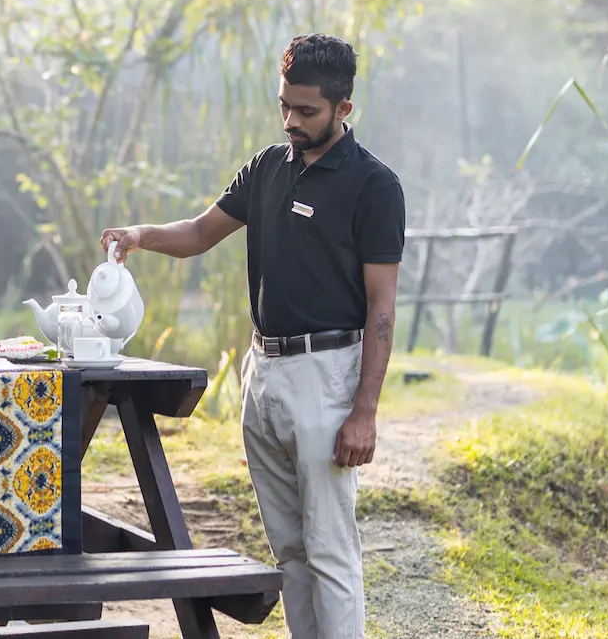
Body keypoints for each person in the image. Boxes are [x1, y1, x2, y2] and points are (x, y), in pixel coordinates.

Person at [99, 33, 403, 639]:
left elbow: (383, 309)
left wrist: (364, 412)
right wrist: (139, 235)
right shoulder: (267, 168)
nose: (291, 120)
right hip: (262, 372)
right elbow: (198, 232)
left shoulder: (374, 186)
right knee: (290, 548)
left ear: (344, 108)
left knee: (331, 548)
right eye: (284, 106)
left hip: (328, 374)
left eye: (306, 111)